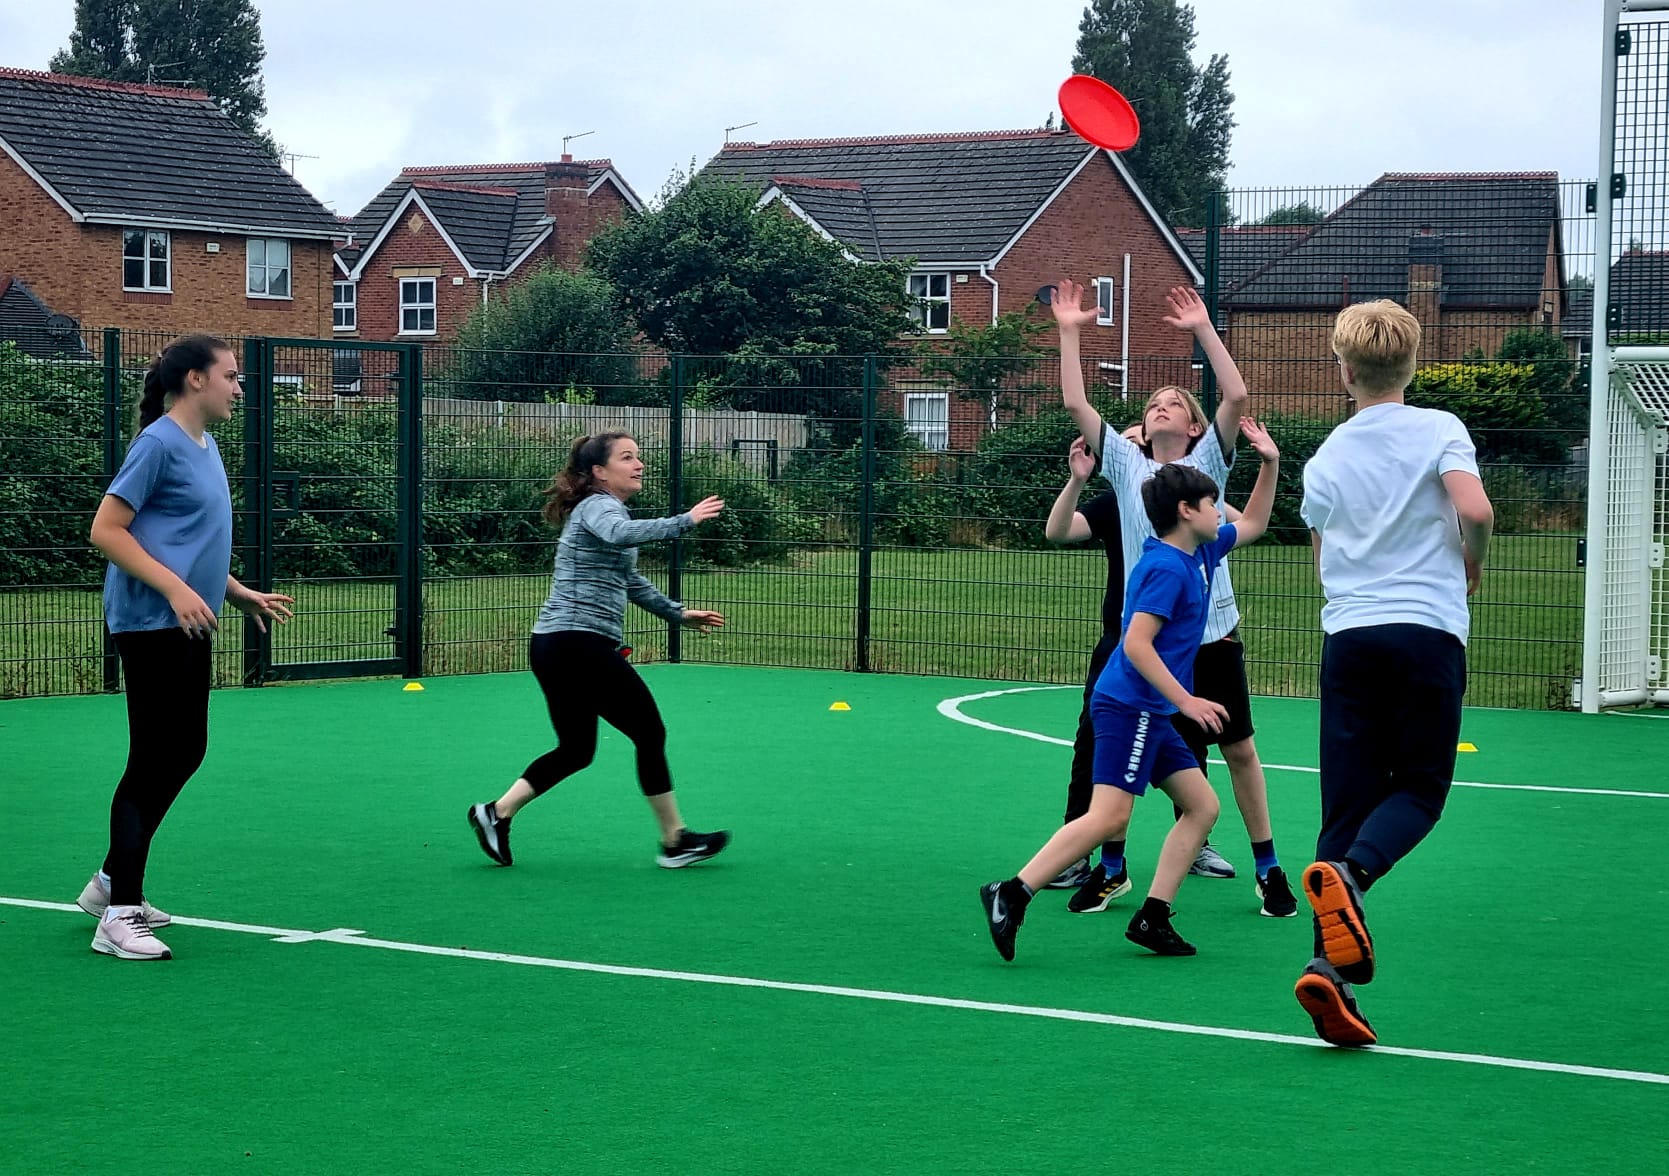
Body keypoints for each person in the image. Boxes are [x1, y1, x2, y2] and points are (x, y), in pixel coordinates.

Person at [981, 428, 1281, 961]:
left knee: (1202, 806)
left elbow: (1254, 523)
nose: (1223, 514)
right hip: (1128, 707)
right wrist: (1187, 701)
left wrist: (1270, 464)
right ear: (1188, 511)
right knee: (1110, 818)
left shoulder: (1202, 554)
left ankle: (1153, 916)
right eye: (1215, 505)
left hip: (1150, 711)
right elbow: (1137, 644)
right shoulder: (1166, 568)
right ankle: (1012, 891)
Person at [1051, 278, 1297, 919]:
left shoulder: (1206, 470)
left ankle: (1268, 869)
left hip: (1211, 636)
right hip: (1151, 641)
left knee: (1237, 749)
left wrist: (1203, 329)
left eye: (1173, 402)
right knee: (1126, 752)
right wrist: (1072, 331)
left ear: (1193, 426)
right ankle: (1112, 869)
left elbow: (1237, 394)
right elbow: (1076, 403)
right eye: (1152, 401)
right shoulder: (1128, 468)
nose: (1160, 406)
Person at [1292, 300, 1494, 1047]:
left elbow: (1320, 553)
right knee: (1417, 790)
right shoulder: (1439, 428)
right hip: (1425, 633)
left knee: (1343, 810)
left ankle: (1325, 971)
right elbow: (1474, 508)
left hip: (1349, 639)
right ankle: (1354, 880)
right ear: (1412, 365)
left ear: (1342, 371)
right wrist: (1471, 560)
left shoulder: (1326, 456)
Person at [79, 335, 295, 961]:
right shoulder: (157, 444)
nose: (239, 386)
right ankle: (118, 913)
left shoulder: (206, 445)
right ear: (195, 380)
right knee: (152, 758)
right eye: (231, 376)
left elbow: (182, 539)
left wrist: (234, 591)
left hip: (187, 621)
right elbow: (107, 529)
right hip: (148, 622)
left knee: (185, 750)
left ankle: (110, 883)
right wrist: (175, 590)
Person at [467, 432, 731, 871]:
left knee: (576, 749)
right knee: (649, 731)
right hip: (576, 644)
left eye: (639, 457)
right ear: (599, 472)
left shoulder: (600, 510)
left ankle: (496, 812)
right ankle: (675, 841)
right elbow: (620, 533)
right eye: (628, 457)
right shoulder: (600, 508)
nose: (639, 464)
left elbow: (629, 583)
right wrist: (685, 520)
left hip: (556, 646)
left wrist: (678, 614)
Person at [1039, 436, 1123, 893]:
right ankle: (1077, 850)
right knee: (1091, 738)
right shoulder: (1114, 502)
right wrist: (1076, 480)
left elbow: (1241, 526)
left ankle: (1196, 839)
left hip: (1174, 642)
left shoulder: (1181, 498)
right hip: (1118, 643)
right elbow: (1057, 532)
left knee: (1185, 739)